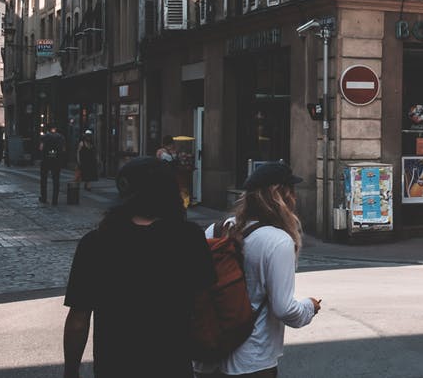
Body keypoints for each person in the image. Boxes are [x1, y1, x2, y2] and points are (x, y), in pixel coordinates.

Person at [63, 156, 215, 378]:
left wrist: (70, 371)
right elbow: (203, 304)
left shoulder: (96, 243)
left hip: (114, 366)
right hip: (171, 364)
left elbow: (78, 319)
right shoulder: (189, 237)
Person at [194, 161, 321, 378]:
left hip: (208, 354)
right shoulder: (278, 241)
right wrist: (309, 307)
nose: (295, 197)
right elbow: (284, 309)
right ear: (281, 195)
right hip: (252, 360)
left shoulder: (214, 230)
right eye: (292, 190)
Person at [40, 125, 66, 205]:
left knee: (44, 180)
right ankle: (55, 200)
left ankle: (44, 198)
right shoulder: (61, 137)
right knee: (56, 180)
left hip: (46, 160)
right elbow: (64, 149)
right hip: (56, 161)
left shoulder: (44, 137)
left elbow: (41, 148)